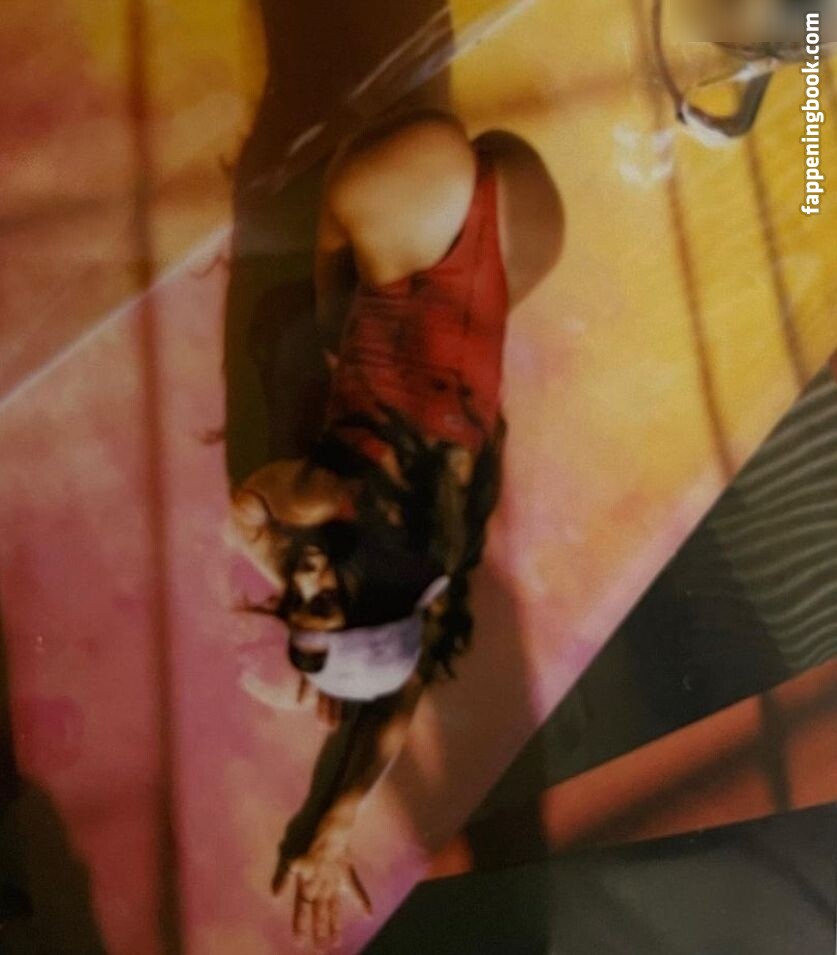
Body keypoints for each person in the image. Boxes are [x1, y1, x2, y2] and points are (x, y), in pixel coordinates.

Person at [229, 109, 563, 949]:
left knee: (336, 326)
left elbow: (404, 676)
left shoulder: (435, 549)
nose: (301, 579)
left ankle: (377, 239)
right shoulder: (317, 501)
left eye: (292, 597)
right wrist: (277, 555)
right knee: (321, 300)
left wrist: (336, 819)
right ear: (371, 590)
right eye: (319, 598)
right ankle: (348, 234)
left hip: (522, 218)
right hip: (415, 187)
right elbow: (249, 505)